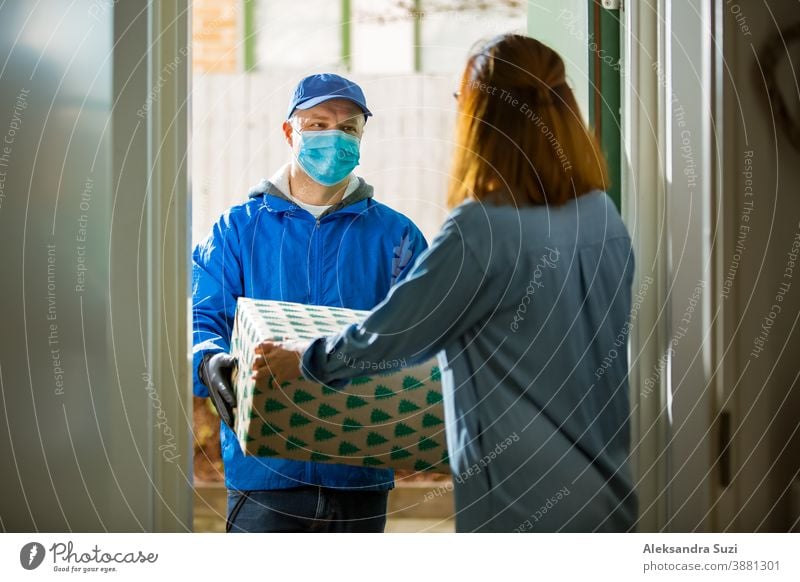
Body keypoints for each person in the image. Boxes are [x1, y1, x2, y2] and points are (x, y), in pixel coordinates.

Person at [255, 35, 639, 532]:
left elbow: (393, 335)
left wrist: (304, 359)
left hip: (524, 501)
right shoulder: (602, 218)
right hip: (609, 492)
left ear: (482, 116)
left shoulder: (481, 229)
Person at [192, 73, 428, 533]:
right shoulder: (237, 230)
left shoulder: (397, 237)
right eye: (318, 124)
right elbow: (203, 317)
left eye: (348, 128)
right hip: (265, 473)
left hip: (358, 471)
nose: (334, 138)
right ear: (289, 132)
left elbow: (422, 334)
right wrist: (208, 361)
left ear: (362, 137)